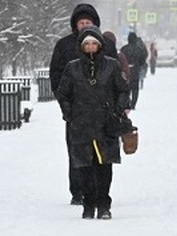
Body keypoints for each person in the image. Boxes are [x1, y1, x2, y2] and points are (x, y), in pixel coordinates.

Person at [55, 26, 131, 220]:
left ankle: (104, 205)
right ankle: (88, 205)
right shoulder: (72, 68)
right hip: (81, 125)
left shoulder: (112, 66)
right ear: (81, 46)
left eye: (94, 43)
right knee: (85, 167)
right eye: (86, 44)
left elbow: (123, 90)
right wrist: (69, 114)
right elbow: (63, 93)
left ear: (100, 45)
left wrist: (117, 110)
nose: (90, 47)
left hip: (106, 124)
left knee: (104, 166)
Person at [49, 3, 101, 206]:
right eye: (81, 22)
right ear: (75, 24)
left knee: (101, 151)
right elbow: (56, 75)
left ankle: (98, 189)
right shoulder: (64, 46)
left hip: (100, 110)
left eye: (88, 22)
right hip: (76, 109)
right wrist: (64, 102)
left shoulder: (104, 44)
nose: (84, 25)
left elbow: (115, 74)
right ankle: (78, 191)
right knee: (76, 151)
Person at [121, 31, 148, 109]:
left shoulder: (124, 48)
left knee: (126, 87)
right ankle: (133, 103)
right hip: (135, 70)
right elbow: (143, 59)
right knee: (135, 88)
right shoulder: (138, 49)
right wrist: (138, 65)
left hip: (126, 71)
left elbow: (120, 59)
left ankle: (127, 102)